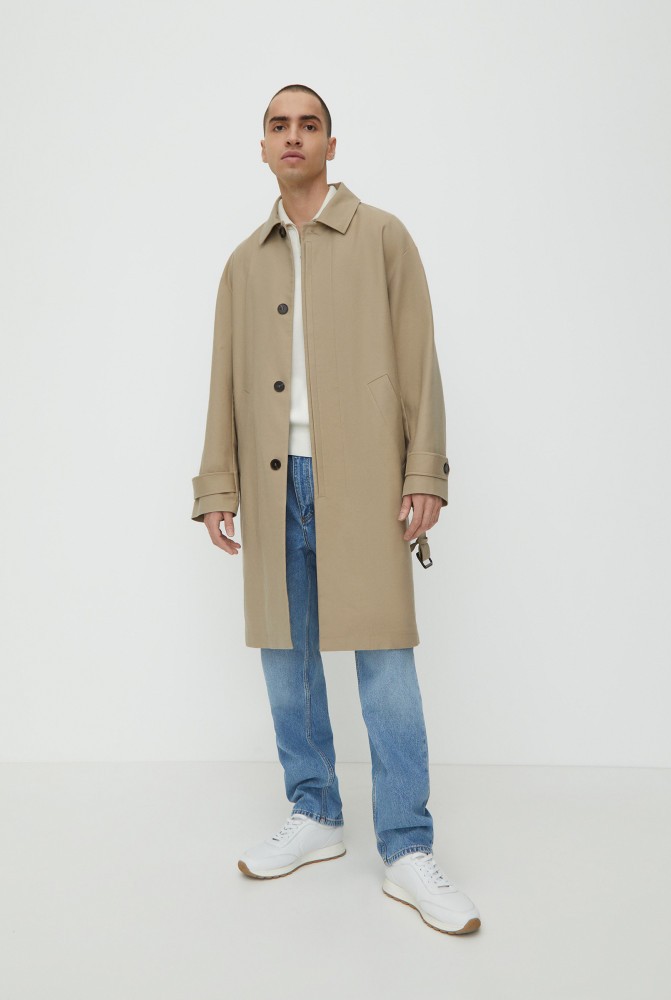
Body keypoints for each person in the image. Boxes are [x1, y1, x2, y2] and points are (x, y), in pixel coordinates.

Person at [192, 84, 481, 935]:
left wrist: (423, 470)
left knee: (384, 659)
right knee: (287, 657)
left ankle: (407, 846)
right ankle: (315, 810)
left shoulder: (382, 236)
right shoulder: (244, 262)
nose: (293, 136)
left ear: (330, 143)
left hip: (365, 478)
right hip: (272, 479)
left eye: (308, 124)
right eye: (278, 125)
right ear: (262, 146)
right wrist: (217, 483)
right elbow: (222, 379)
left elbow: (419, 360)